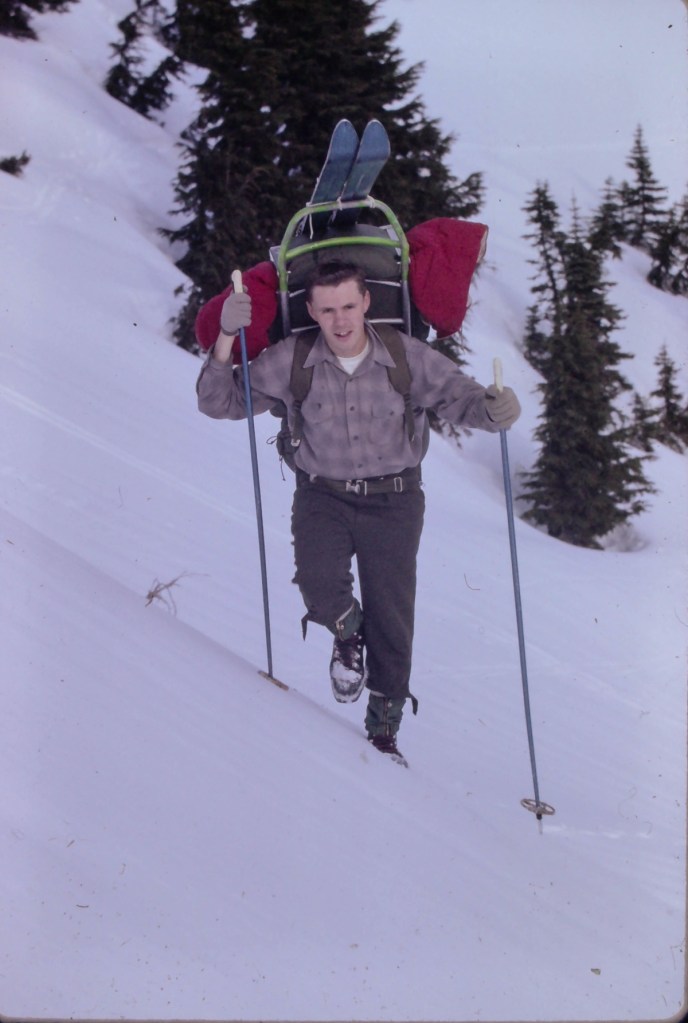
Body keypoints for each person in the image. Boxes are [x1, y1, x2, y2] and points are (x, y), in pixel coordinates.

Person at [196, 260, 521, 765]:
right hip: (322, 494)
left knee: (393, 616)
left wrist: (496, 409)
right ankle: (348, 636)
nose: (340, 320)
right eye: (327, 310)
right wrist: (225, 336)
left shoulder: (403, 355)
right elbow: (218, 401)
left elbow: (461, 398)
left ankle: (384, 733)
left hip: (396, 500)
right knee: (319, 586)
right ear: (311, 312)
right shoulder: (292, 360)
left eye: (348, 305)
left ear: (366, 303)